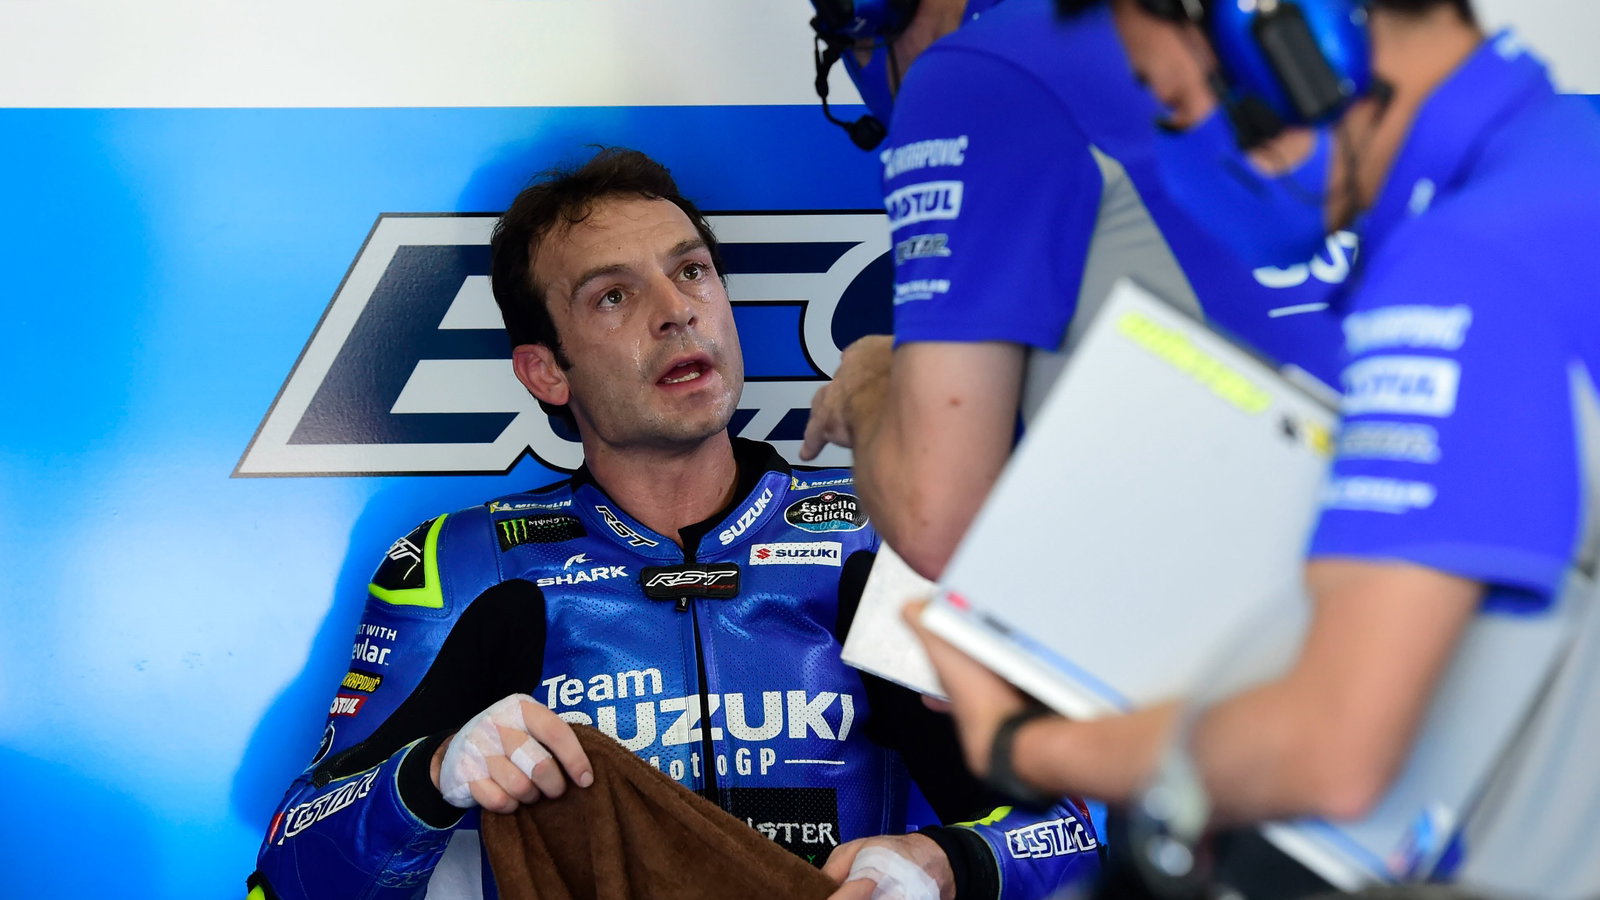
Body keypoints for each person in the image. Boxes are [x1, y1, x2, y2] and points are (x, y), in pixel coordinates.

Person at [246, 148, 1101, 900]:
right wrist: (432, 778)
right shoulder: (470, 566)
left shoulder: (877, 535)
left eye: (691, 272)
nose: (676, 311)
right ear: (546, 372)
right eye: (614, 295)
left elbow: (1068, 827)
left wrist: (946, 864)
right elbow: (291, 866)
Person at [908, 1, 1600, 896]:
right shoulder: (1564, 166)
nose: (1189, 149)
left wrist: (1024, 744)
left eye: (1175, 102)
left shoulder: (1463, 270)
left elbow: (1331, 747)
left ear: (1287, 38)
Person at [800, 0, 1347, 580]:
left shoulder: (976, 73)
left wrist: (870, 387)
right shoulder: (1308, 28)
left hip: (1262, 593)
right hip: (1383, 555)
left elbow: (935, 522)